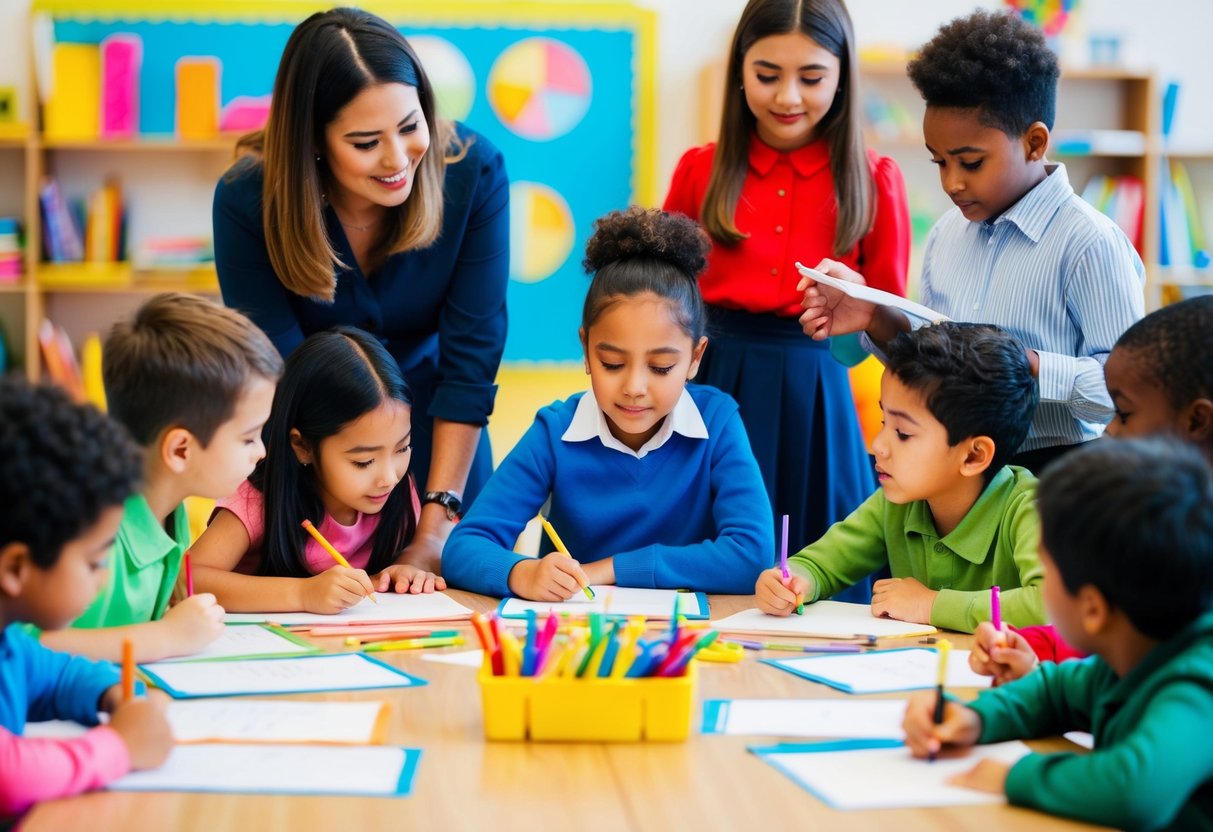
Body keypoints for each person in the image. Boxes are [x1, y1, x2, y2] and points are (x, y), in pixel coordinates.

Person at [213, 7, 509, 576]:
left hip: (440, 438)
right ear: (314, 140)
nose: (399, 160)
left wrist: (435, 526)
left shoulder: (475, 171)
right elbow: (280, 372)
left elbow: (470, 363)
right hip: (317, 455)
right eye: (366, 142)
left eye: (410, 125)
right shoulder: (248, 200)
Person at [799, 9, 1144, 475]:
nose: (952, 183)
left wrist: (1027, 364)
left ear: (1035, 143)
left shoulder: (1090, 244)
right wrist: (875, 316)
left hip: (1055, 475)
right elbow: (938, 368)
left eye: (971, 162)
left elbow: (1128, 391)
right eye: (939, 162)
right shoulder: (946, 235)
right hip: (956, 470)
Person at [663, 0, 909, 603]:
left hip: (817, 396)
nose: (788, 96)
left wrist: (861, 313)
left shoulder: (875, 178)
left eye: (812, 77)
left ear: (843, 75)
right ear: (739, 70)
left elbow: (899, 331)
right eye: (767, 74)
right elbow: (661, 297)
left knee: (816, 579)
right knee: (703, 574)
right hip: (711, 384)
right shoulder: (701, 169)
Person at [443, 208, 773, 600]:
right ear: (585, 349)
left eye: (661, 367)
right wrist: (522, 573)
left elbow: (752, 555)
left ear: (695, 358)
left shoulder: (717, 423)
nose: (634, 387)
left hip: (686, 641)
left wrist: (611, 569)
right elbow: (464, 547)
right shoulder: (555, 431)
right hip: (574, 639)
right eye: (612, 363)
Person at [903, 438, 1213, 830]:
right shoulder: (1134, 653)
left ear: (1093, 610)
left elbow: (1133, 791)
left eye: (1047, 572)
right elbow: (1055, 691)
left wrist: (1012, 776)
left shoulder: (1196, 684)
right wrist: (972, 718)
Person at [970, 295, 1213, 683]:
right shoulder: (1158, 520)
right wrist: (1033, 649)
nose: (1110, 430)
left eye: (1124, 414)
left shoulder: (1184, 542)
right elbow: (1114, 658)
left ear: (1197, 420)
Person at [37, 293, 281, 663]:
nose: (260, 452)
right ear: (180, 450)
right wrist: (163, 637)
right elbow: (24, 650)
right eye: (248, 437)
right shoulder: (87, 530)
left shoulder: (169, 513)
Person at [755, 322, 1043, 633]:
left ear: (973, 456)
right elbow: (822, 564)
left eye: (903, 433)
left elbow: (1051, 607)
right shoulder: (896, 501)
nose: (878, 445)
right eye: (883, 421)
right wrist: (792, 581)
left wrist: (931, 605)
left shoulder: (1031, 509)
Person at [0, 379, 173, 821]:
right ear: (16, 569)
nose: (104, 578)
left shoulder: (11, 643)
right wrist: (120, 746)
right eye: (95, 562)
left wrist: (115, 693)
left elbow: (57, 675)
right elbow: (11, 777)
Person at [191, 327, 443, 612]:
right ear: (303, 447)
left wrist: (403, 572)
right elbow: (189, 580)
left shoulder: (398, 493)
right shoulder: (259, 499)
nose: (389, 477)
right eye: (363, 461)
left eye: (402, 448)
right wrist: (302, 594)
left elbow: (404, 569)